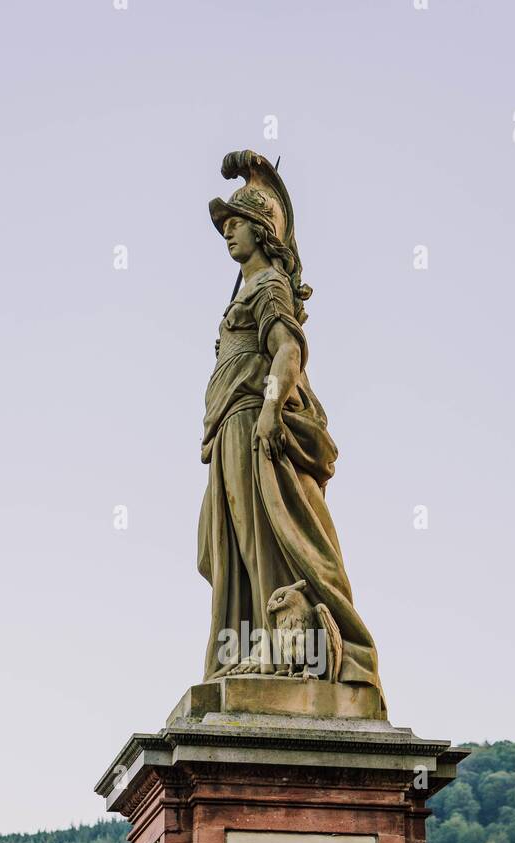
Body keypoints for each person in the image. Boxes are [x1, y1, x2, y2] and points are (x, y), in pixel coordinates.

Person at [198, 151, 383, 707]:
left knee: (266, 534)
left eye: (236, 223)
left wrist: (272, 409)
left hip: (252, 420)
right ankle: (253, 644)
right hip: (229, 425)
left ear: (261, 230)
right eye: (225, 225)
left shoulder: (269, 285)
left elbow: (287, 351)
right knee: (232, 545)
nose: (228, 233)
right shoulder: (246, 288)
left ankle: (288, 645)